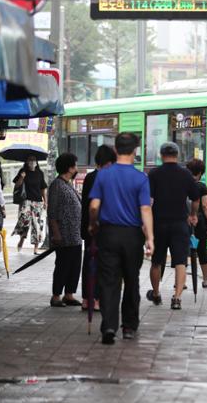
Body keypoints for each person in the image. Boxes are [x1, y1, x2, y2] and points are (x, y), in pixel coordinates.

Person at [89, 133, 154, 345]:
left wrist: (93, 224)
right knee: (131, 280)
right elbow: (145, 208)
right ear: (135, 151)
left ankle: (109, 325)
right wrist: (150, 238)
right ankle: (128, 327)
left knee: (109, 281)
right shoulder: (141, 178)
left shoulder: (104, 175)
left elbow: (94, 206)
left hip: (108, 233)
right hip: (132, 236)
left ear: (116, 150)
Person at [147, 142, 200, 310]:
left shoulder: (154, 174)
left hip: (159, 223)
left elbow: (149, 201)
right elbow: (196, 198)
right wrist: (192, 215)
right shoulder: (186, 174)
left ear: (162, 155)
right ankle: (177, 298)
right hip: (180, 223)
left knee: (156, 261)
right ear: (177, 155)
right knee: (180, 262)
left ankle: (155, 293)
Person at [80, 145, 117, 311]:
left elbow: (85, 205)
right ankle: (96, 298)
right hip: (102, 227)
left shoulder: (89, 177)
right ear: (109, 161)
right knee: (102, 265)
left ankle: (86, 299)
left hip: (89, 228)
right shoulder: (108, 178)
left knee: (89, 262)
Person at [47, 153, 82, 308]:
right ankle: (56, 296)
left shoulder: (67, 184)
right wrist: (56, 233)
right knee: (63, 265)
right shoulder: (57, 185)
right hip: (64, 235)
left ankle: (69, 294)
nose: (77, 168)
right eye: (75, 165)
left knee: (74, 265)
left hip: (75, 234)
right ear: (69, 168)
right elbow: (52, 212)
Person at [186, 159, 207, 288]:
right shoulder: (201, 186)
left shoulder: (183, 184)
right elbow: (205, 206)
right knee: (202, 250)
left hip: (184, 220)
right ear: (200, 173)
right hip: (200, 222)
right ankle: (205, 279)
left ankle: (180, 282)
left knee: (183, 251)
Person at [12, 155, 47, 255]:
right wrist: (21, 177)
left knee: (37, 224)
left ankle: (36, 248)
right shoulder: (23, 171)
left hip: (37, 201)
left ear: (36, 161)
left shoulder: (40, 173)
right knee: (24, 220)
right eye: (30, 160)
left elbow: (43, 188)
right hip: (26, 201)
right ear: (26, 161)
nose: (32, 162)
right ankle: (22, 239)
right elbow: (17, 185)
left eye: (34, 160)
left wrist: (45, 201)